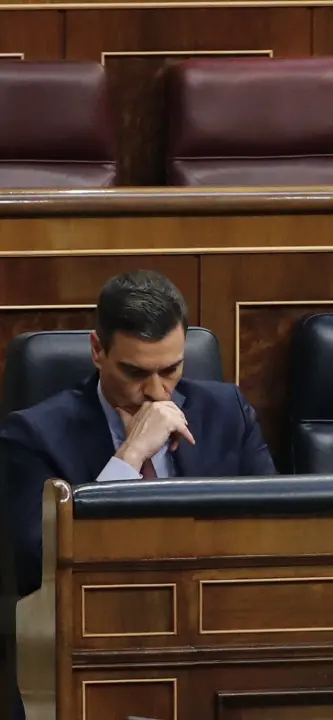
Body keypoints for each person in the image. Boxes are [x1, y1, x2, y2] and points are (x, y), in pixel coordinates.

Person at [0, 270, 276, 719]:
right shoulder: (34, 434)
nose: (156, 391)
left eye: (171, 370)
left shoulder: (227, 413)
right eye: (134, 372)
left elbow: (275, 528)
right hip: (95, 644)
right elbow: (39, 563)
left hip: (212, 637)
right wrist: (129, 457)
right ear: (97, 350)